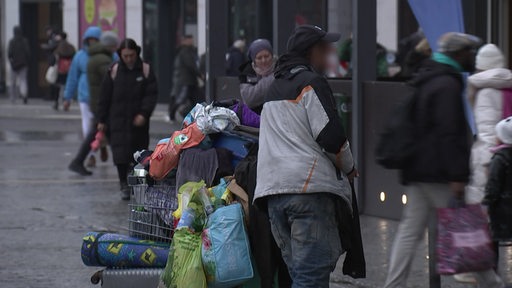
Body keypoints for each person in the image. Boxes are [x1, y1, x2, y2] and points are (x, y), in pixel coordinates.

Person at [383, 32, 506, 288]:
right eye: (469, 52)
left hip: (419, 169)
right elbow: (450, 134)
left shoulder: (429, 77)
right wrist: (457, 176)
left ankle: (393, 285)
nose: (472, 57)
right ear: (458, 54)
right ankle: (492, 284)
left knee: (410, 231)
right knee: (465, 230)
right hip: (438, 172)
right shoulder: (446, 85)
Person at [253, 25, 364, 287]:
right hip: (307, 193)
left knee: (300, 277)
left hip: (273, 196)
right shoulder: (311, 83)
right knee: (310, 280)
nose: (329, 56)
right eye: (325, 50)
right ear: (313, 51)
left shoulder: (273, 89)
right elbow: (331, 136)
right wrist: (349, 168)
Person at [97, 39, 158, 200]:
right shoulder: (114, 70)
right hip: (117, 120)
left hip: (138, 122)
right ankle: (123, 184)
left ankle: (136, 186)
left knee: (139, 155)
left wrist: (144, 113)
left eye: (131, 55)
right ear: (120, 55)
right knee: (120, 155)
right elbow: (104, 96)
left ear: (136, 53)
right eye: (125, 56)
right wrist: (101, 119)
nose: (129, 59)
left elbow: (151, 94)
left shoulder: (145, 69)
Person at [466, 44, 512, 204]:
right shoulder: (509, 87)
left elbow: (487, 134)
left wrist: (487, 166)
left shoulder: (486, 92)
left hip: (492, 162)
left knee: (488, 216)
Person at [68, 31, 119, 176]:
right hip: (101, 103)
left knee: (103, 133)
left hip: (98, 101)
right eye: (114, 46)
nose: (116, 49)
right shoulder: (102, 59)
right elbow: (111, 80)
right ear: (109, 46)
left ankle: (78, 161)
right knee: (109, 134)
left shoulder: (97, 57)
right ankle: (125, 166)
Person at [63, 26, 101, 168]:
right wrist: (67, 97)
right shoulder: (79, 56)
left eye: (95, 40)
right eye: (89, 40)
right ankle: (91, 153)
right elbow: (72, 78)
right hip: (84, 96)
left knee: (100, 126)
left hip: (100, 97)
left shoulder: (107, 55)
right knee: (87, 126)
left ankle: (100, 146)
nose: (92, 42)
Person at [484, 117, 512, 242]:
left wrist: (487, 202)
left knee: (493, 241)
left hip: (502, 213)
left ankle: (493, 261)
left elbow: (493, 185)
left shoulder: (499, 159)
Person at [169, 35, 201, 122]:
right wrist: (199, 74)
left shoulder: (185, 51)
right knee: (182, 98)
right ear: (185, 41)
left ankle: (188, 114)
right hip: (186, 80)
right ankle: (174, 113)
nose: (192, 42)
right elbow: (191, 65)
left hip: (187, 80)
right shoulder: (186, 51)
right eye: (190, 40)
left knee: (193, 99)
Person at [238, 38, 275, 113]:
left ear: (272, 56)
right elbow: (249, 99)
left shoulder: (280, 67)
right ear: (254, 60)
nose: (264, 60)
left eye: (266, 56)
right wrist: (273, 78)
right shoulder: (248, 72)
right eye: (259, 58)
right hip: (255, 117)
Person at [53, 31, 76, 110]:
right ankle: (66, 102)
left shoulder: (59, 46)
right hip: (69, 67)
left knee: (58, 86)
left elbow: (55, 56)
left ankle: (56, 102)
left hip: (61, 68)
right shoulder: (70, 46)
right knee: (67, 85)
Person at [7, 26, 30, 104]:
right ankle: (24, 94)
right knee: (23, 80)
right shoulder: (24, 41)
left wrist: (11, 61)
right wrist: (27, 61)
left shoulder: (11, 41)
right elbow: (27, 52)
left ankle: (12, 98)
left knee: (12, 82)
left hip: (14, 64)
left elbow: (9, 53)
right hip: (23, 63)